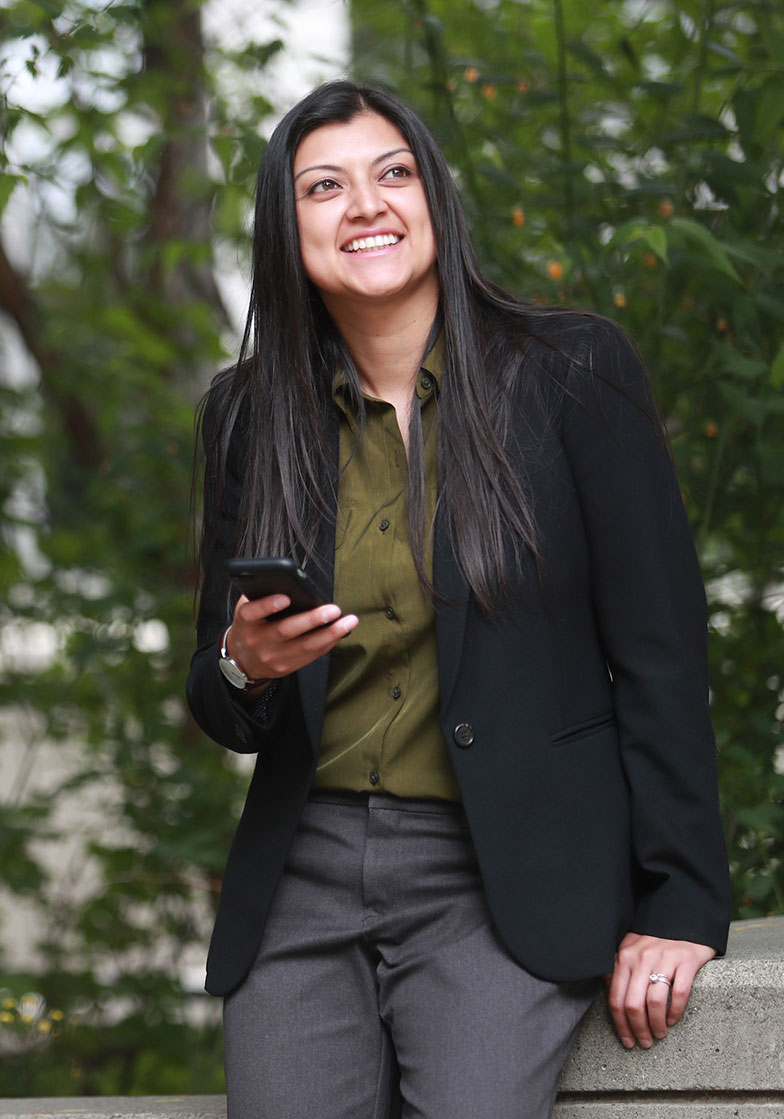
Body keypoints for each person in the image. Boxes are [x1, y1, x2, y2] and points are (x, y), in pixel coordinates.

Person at [186, 80, 731, 1119]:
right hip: (304, 869)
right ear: (283, 225)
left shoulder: (571, 374)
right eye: (322, 187)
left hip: (502, 870)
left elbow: (660, 653)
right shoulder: (247, 417)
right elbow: (218, 696)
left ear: (433, 196)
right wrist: (242, 666)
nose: (365, 205)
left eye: (392, 173)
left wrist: (683, 903)